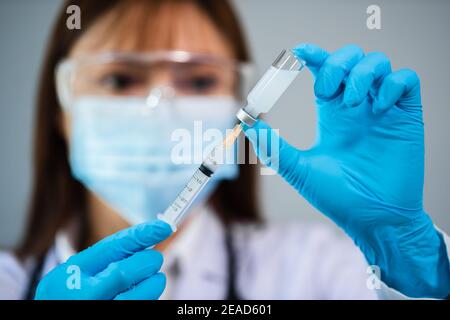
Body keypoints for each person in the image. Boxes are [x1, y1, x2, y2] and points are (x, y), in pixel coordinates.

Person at [0, 0, 448, 300]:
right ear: (61, 110)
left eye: (198, 81)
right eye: (120, 79)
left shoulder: (314, 271)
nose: (162, 110)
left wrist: (405, 256)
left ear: (237, 103)